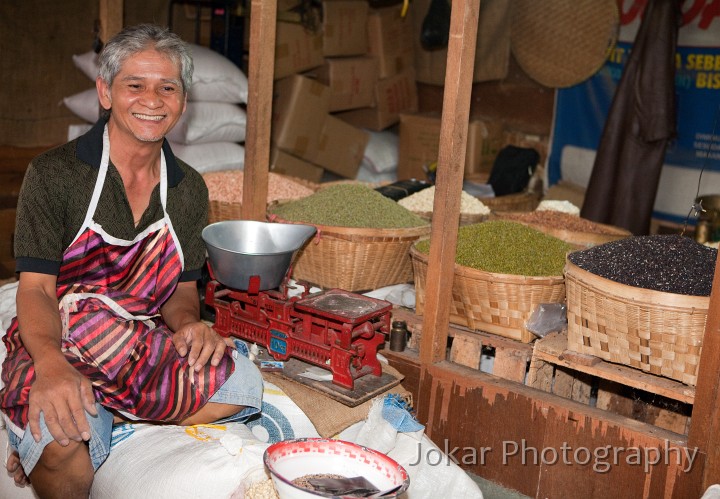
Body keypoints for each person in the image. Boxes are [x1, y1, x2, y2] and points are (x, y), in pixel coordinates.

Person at [0, 24, 262, 498]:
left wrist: (187, 324)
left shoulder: (186, 189)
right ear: (105, 92)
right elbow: (36, 289)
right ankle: (81, 413)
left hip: (131, 342)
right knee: (61, 449)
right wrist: (50, 364)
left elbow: (181, 289)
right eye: (134, 85)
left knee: (241, 382)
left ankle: (115, 410)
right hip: (62, 333)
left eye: (168, 87)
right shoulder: (55, 174)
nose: (153, 100)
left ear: (183, 100)